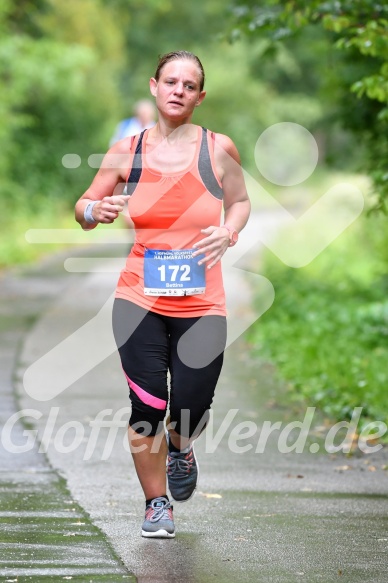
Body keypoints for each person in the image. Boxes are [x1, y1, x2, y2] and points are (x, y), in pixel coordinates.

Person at [75, 50, 250, 539]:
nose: (178, 90)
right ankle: (157, 505)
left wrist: (229, 232)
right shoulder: (126, 151)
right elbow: (83, 204)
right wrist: (95, 212)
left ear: (200, 95)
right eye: (170, 81)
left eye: (189, 85)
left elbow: (239, 202)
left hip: (202, 303)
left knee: (191, 407)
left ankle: (181, 445)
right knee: (147, 408)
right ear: (154, 87)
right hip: (138, 300)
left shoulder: (218, 149)